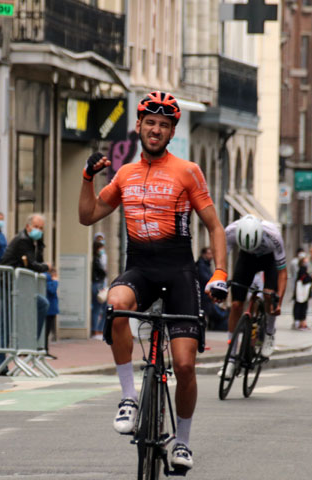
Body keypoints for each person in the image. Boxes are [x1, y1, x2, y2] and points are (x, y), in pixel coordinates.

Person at [78, 91, 228, 470]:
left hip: (179, 272)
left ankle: (183, 441)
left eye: (163, 124)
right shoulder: (125, 173)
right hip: (140, 268)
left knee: (185, 365)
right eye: (150, 123)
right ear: (140, 127)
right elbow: (89, 215)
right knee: (116, 305)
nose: (156, 129)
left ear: (172, 131)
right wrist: (87, 178)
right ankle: (129, 397)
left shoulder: (188, 171)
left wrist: (221, 274)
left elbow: (214, 226)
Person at [223, 215, 287, 367]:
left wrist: (279, 302)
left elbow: (283, 273)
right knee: (236, 305)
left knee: (268, 294)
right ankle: (231, 356)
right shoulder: (230, 232)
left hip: (269, 259)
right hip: (246, 259)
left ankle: (270, 333)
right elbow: (221, 261)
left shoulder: (274, 235)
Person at [0, 213, 51, 359]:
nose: (39, 230)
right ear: (28, 227)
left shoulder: (35, 243)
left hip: (21, 286)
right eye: (36, 227)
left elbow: (34, 261)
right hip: (8, 283)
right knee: (5, 323)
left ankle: (30, 344)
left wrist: (40, 249)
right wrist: (46, 267)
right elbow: (32, 264)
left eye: (41, 228)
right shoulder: (23, 240)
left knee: (42, 304)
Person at [197, 247, 227, 331]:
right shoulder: (201, 265)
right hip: (203, 293)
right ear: (204, 254)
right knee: (204, 311)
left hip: (207, 293)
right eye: (209, 253)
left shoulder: (206, 264)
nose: (211, 256)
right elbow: (205, 278)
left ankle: (206, 326)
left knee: (209, 311)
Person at [91, 235, 107, 340]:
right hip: (98, 284)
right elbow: (101, 272)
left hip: (99, 284)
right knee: (98, 308)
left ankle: (99, 330)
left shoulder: (99, 258)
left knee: (102, 307)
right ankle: (97, 330)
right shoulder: (96, 260)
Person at [292, 253, 312, 330]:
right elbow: (304, 280)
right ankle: (300, 323)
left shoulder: (303, 269)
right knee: (301, 306)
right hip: (302, 292)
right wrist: (311, 278)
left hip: (302, 292)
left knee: (301, 306)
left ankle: (301, 322)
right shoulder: (302, 269)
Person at [45, 267, 59, 355]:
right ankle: (44, 349)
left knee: (47, 330)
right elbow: (52, 290)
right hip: (49, 309)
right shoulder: (49, 281)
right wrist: (55, 281)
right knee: (46, 330)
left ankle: (45, 349)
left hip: (51, 309)